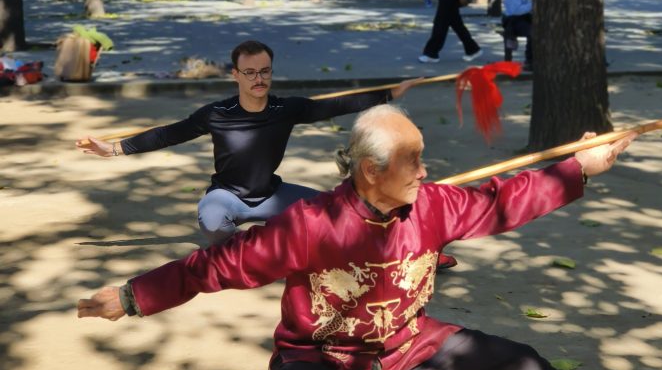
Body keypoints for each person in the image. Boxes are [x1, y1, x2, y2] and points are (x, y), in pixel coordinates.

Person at [78, 104, 662, 370]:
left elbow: (508, 198)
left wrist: (578, 166)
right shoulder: (308, 226)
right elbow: (211, 267)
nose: (427, 172)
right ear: (370, 170)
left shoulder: (433, 205)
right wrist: (132, 297)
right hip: (318, 359)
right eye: (414, 162)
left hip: (408, 350)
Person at [75, 40, 417, 243]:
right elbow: (169, 133)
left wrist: (387, 93)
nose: (259, 79)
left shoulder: (286, 109)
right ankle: (253, 245)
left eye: (265, 71)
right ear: (235, 75)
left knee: (340, 210)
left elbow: (334, 105)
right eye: (250, 72)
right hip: (227, 198)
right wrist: (115, 148)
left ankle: (402, 242)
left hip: (271, 195)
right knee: (211, 224)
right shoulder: (217, 114)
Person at [502, 0, 533, 69]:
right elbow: (515, 11)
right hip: (513, 22)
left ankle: (531, 58)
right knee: (532, 32)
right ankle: (529, 60)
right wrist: (531, 5)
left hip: (520, 20)